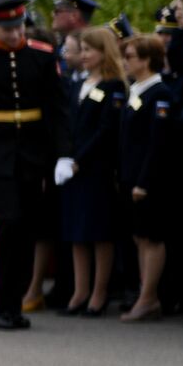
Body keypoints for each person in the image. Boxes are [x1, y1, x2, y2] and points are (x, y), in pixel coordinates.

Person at [0, 0, 73, 330]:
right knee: (7, 224)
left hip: (33, 154)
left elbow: (59, 109)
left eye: (18, 27)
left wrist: (64, 153)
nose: (14, 34)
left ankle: (17, 301)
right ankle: (0, 301)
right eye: (6, 28)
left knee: (27, 229)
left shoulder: (41, 55)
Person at [59, 27, 125, 316]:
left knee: (99, 232)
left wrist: (79, 160)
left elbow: (105, 131)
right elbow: (68, 124)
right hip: (73, 168)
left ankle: (99, 294)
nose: (84, 55)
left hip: (96, 168)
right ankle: (80, 291)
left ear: (103, 51)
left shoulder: (113, 86)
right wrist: (64, 156)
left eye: (89, 50)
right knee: (77, 231)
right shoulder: (79, 84)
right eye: (82, 49)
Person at [119, 34, 182, 322]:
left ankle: (148, 298)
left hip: (149, 182)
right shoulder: (136, 90)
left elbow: (157, 145)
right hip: (131, 177)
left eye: (130, 56)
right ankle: (147, 294)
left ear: (146, 60)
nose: (125, 62)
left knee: (152, 238)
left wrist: (144, 182)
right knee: (139, 236)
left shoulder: (160, 95)